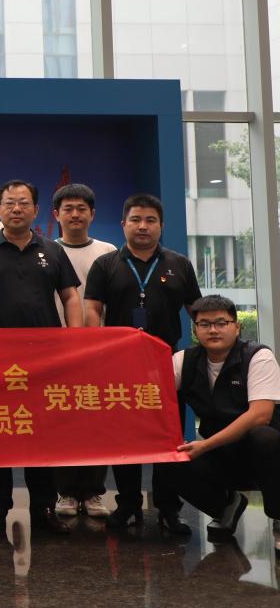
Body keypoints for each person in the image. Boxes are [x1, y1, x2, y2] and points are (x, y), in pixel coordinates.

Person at [0, 179, 81, 536]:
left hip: (45, 361)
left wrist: (75, 340)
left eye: (24, 203)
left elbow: (70, 296)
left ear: (36, 210)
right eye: (9, 203)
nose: (16, 209)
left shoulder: (53, 251)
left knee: (42, 434)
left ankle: (44, 507)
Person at [83, 193, 201, 535]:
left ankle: (168, 508)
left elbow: (197, 311)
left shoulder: (179, 264)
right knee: (124, 438)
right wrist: (95, 350)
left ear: (161, 225)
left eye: (150, 220)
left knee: (169, 437)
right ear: (124, 224)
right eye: (136, 219)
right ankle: (129, 504)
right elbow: (92, 310)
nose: (143, 226)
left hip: (167, 365)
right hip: (119, 365)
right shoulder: (105, 264)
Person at [164, 295, 280, 552]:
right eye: (204, 324)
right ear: (195, 330)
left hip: (265, 454)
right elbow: (153, 395)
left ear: (237, 327)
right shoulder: (183, 360)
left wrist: (204, 446)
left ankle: (279, 518)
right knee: (170, 459)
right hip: (222, 452)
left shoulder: (258, 356)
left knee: (265, 437)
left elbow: (260, 415)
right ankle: (226, 506)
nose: (213, 330)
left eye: (221, 323)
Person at [49, 184, 117, 521]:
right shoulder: (46, 251)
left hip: (97, 350)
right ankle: (64, 491)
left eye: (81, 209)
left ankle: (93, 492)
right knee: (60, 420)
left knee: (96, 421)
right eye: (68, 209)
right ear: (56, 215)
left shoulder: (108, 252)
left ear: (92, 214)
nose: (75, 215)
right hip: (54, 351)